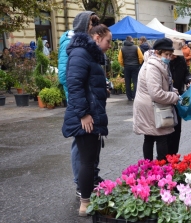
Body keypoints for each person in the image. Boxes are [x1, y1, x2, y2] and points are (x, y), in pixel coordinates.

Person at [62, 24, 112, 216]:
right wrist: (84, 114)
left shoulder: (86, 54)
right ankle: (84, 204)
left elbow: (86, 83)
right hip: (85, 117)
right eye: (108, 41)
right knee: (87, 161)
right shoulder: (80, 53)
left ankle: (87, 200)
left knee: (89, 161)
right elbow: (74, 85)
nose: (109, 45)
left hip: (91, 114)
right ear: (97, 37)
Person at [58, 11, 103, 198]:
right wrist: (80, 106)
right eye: (92, 24)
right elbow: (66, 77)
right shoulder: (72, 44)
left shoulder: (87, 46)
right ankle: (80, 182)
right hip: (79, 101)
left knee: (91, 142)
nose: (94, 28)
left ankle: (91, 177)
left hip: (87, 99)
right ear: (84, 26)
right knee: (81, 142)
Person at [133, 38, 180, 161]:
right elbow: (157, 93)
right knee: (161, 137)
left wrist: (172, 90)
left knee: (150, 137)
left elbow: (162, 85)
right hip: (151, 106)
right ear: (158, 52)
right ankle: (160, 168)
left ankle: (149, 168)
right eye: (166, 54)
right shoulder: (153, 66)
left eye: (170, 54)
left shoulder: (157, 63)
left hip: (150, 105)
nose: (169, 57)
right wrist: (174, 97)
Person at [168, 38, 191, 155]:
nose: (174, 57)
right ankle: (165, 156)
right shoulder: (164, 62)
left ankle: (174, 154)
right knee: (166, 127)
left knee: (177, 127)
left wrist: (189, 79)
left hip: (178, 97)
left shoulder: (181, 59)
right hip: (166, 98)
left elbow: (186, 73)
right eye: (173, 54)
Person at [118, 36, 144, 101]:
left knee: (127, 82)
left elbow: (120, 59)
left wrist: (124, 65)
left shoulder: (122, 49)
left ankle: (129, 97)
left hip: (127, 67)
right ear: (131, 40)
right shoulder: (136, 47)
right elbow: (141, 57)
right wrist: (139, 63)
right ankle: (135, 95)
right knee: (135, 81)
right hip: (135, 66)